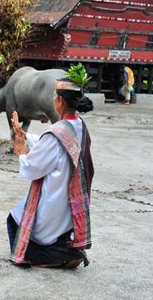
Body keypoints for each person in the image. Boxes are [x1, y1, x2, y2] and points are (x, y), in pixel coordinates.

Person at [7, 69, 95, 269]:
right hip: (70, 205)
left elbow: (32, 167)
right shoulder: (79, 125)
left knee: (14, 222)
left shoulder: (56, 133)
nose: (53, 99)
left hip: (53, 202)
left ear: (61, 102)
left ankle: (62, 254)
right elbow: (52, 144)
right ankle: (65, 246)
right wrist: (25, 135)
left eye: (54, 96)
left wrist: (21, 152)